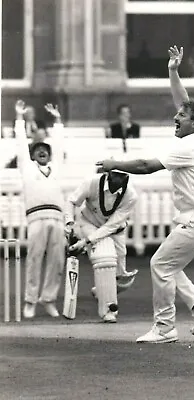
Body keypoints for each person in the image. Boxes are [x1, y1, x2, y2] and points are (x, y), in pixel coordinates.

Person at [96, 45, 194, 344]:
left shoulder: (188, 146)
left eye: (181, 116)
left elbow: (146, 166)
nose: (175, 117)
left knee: (160, 265)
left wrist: (115, 164)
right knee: (169, 265)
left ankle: (164, 328)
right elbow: (186, 102)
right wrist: (173, 71)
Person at [14, 100, 66, 319]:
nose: (42, 152)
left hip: (57, 218)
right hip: (36, 219)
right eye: (38, 150)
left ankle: (49, 299)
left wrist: (58, 121)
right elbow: (20, 145)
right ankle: (30, 301)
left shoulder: (56, 169)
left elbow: (60, 145)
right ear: (33, 155)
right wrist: (19, 119)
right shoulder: (27, 168)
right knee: (35, 258)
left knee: (57, 261)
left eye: (45, 150)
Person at [65, 170, 138, 323]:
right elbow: (72, 201)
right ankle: (108, 311)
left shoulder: (130, 195)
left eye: (122, 175)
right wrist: (69, 224)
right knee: (105, 258)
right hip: (89, 223)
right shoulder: (91, 182)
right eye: (115, 174)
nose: (118, 178)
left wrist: (84, 242)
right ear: (109, 173)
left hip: (114, 230)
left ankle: (100, 289)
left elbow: (110, 227)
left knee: (120, 278)